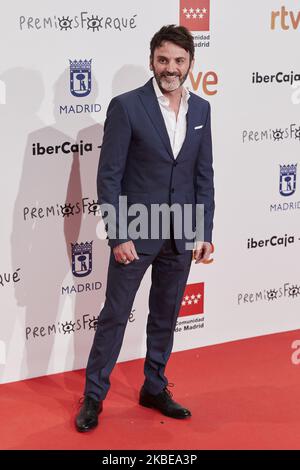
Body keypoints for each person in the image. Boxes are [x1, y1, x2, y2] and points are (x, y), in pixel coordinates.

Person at [75, 24, 215, 432]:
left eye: (179, 61)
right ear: (151, 59)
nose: (171, 68)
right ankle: (93, 396)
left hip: (183, 230)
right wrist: (118, 234)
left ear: (191, 63)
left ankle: (154, 385)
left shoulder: (202, 109)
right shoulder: (127, 106)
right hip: (136, 231)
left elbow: (203, 174)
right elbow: (109, 177)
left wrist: (203, 230)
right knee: (115, 315)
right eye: (163, 59)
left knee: (166, 315)